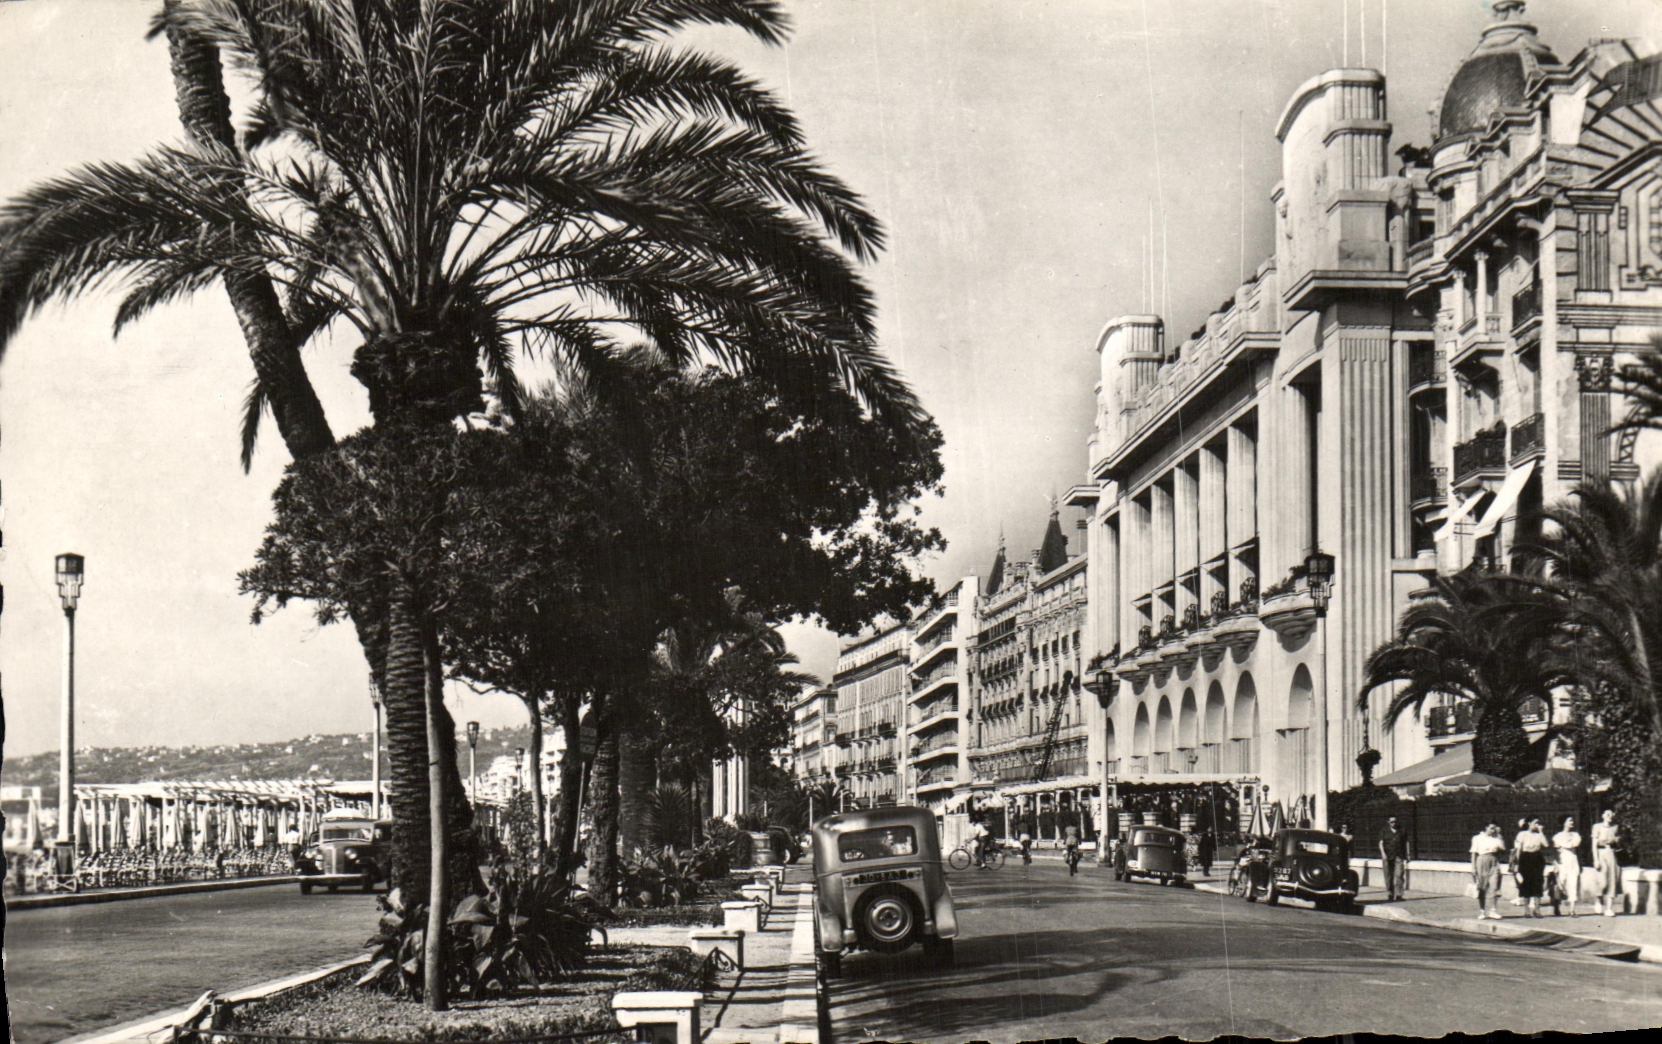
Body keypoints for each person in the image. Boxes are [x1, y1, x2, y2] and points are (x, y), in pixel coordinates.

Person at [1470, 822, 1507, 920]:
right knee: (1482, 887)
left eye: (1494, 828)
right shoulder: (1477, 838)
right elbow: (1473, 853)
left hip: (1494, 861)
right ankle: (1482, 911)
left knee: (1494, 887)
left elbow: (1503, 848)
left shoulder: (1496, 838)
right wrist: (1473, 867)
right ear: (1486, 828)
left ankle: (1493, 911)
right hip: (1482, 860)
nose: (1493, 830)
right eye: (1491, 828)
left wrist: (1499, 836)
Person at [1514, 817, 1549, 918]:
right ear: (1529, 823)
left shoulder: (1538, 835)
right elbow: (1518, 850)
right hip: (1526, 858)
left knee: (1538, 883)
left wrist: (1541, 831)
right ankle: (1527, 910)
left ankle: (1537, 910)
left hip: (1537, 858)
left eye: (1538, 823)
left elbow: (1546, 844)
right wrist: (1517, 863)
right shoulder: (1522, 834)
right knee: (1526, 883)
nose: (1537, 825)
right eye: (1535, 823)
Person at [1591, 808, 1623, 917]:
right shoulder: (1597, 827)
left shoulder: (1615, 827)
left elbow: (1618, 844)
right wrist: (1595, 859)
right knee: (1603, 881)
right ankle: (1598, 900)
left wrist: (1618, 841)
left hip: (1612, 854)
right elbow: (1594, 845)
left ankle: (1609, 908)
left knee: (1612, 880)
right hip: (1601, 854)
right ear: (1603, 815)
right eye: (1607, 813)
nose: (1610, 816)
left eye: (1611, 814)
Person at [1552, 816, 1583, 917]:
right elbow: (1556, 850)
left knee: (1573, 883)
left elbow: (1574, 845)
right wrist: (1556, 864)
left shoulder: (1576, 835)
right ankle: (1556, 905)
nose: (1572, 822)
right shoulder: (1558, 836)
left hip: (1573, 860)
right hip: (1562, 861)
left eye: (1572, 820)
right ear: (1564, 823)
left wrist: (1566, 845)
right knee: (1560, 884)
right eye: (1570, 821)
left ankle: (1572, 910)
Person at [1379, 815, 1409, 901]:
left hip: (1399, 855)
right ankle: (1390, 893)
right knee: (1388, 875)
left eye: (1395, 821)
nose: (1394, 823)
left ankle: (1399, 894)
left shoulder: (1401, 831)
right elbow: (1381, 843)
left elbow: (1406, 842)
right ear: (1388, 822)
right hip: (1387, 856)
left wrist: (1408, 854)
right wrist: (1383, 854)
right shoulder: (1384, 831)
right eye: (1392, 822)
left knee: (1399, 875)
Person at [1508, 818, 1528, 906]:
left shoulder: (1521, 835)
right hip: (1524, 858)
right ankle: (1521, 896)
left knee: (1520, 878)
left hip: (1522, 858)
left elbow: (1518, 849)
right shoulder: (1524, 835)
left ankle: (1522, 897)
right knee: (1521, 878)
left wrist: (1517, 862)